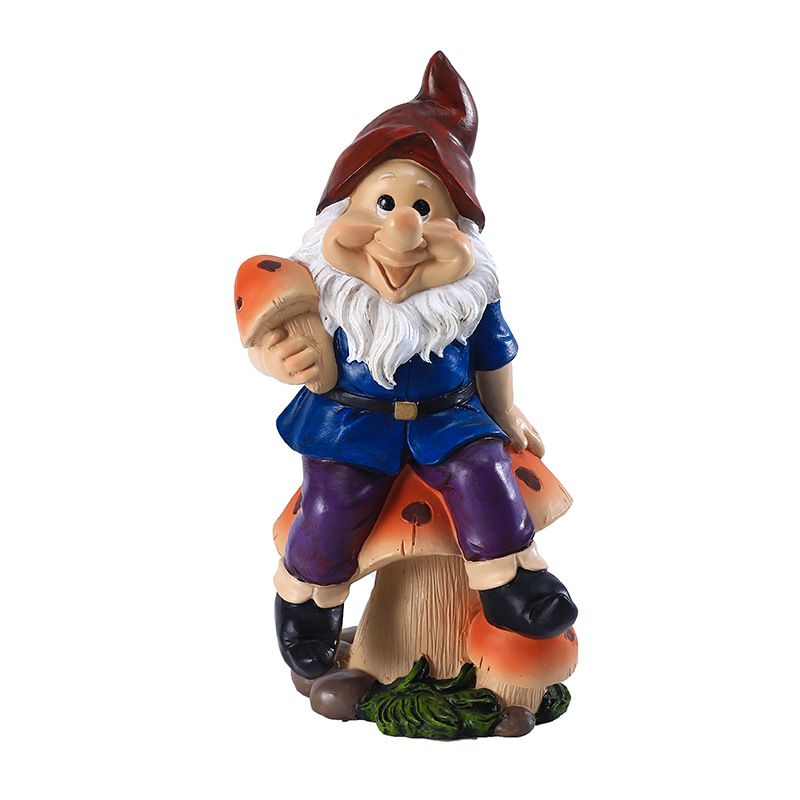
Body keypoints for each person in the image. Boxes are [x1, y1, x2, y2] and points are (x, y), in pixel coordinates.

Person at [241, 53, 577, 679]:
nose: (403, 232)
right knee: (331, 508)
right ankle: (308, 606)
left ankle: (510, 583)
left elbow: (494, 354)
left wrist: (504, 410)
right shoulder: (322, 288)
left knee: (484, 473)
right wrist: (276, 359)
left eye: (425, 210)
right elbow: (271, 336)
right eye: (385, 202)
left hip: (451, 419)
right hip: (348, 424)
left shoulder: (467, 297)